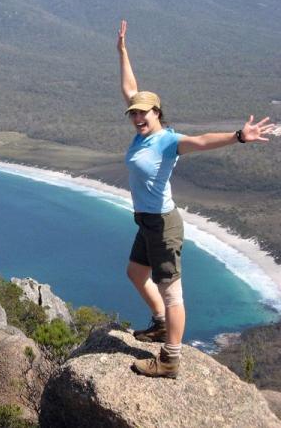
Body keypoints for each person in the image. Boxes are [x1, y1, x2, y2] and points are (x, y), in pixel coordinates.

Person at [117, 20, 275, 379]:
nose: (137, 116)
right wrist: (122, 52)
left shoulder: (168, 141)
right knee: (135, 273)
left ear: (158, 113)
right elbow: (130, 87)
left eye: (144, 112)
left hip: (162, 225)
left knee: (172, 293)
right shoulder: (142, 132)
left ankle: (170, 358)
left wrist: (239, 136)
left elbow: (203, 140)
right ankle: (159, 324)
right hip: (146, 220)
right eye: (134, 113)